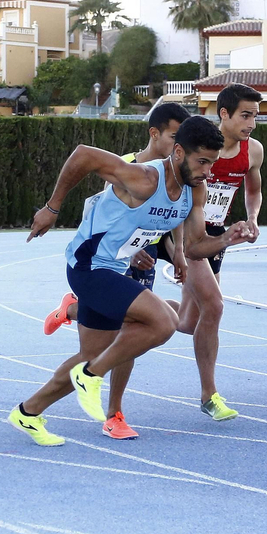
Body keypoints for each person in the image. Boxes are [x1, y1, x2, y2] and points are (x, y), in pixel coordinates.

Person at [10, 117, 247, 446]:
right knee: (165, 321)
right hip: (88, 266)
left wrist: (226, 240)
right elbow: (83, 154)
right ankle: (91, 376)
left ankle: (28, 412)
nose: (207, 171)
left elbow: (196, 245)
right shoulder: (145, 178)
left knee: (89, 353)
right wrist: (53, 207)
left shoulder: (195, 189)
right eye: (202, 162)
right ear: (178, 152)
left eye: (212, 163)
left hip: (114, 269)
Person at [42, 102, 192, 439]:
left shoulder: (182, 174)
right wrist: (131, 247)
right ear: (155, 134)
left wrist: (177, 250)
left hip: (144, 257)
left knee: (135, 332)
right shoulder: (131, 169)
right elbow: (98, 212)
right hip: (107, 261)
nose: (179, 147)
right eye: (173, 138)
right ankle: (106, 407)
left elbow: (178, 210)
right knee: (140, 328)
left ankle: (112, 409)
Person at [173, 83, 265, 422]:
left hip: (214, 235)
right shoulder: (198, 143)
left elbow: (253, 190)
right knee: (214, 304)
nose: (252, 123)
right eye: (245, 115)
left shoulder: (252, 151)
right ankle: (208, 395)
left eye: (256, 116)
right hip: (183, 234)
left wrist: (252, 219)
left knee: (187, 321)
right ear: (224, 114)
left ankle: (76, 309)